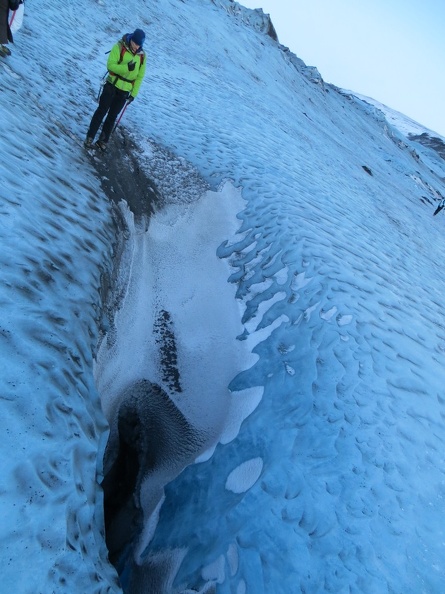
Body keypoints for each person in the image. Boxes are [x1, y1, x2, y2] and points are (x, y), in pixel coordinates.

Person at [85, 28, 147, 151]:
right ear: (131, 40)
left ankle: (102, 142)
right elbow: (110, 66)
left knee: (112, 116)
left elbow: (140, 77)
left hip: (124, 92)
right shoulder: (119, 47)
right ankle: (90, 137)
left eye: (139, 44)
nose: (137, 47)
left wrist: (133, 94)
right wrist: (126, 68)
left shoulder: (142, 56)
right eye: (135, 43)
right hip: (111, 85)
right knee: (101, 111)